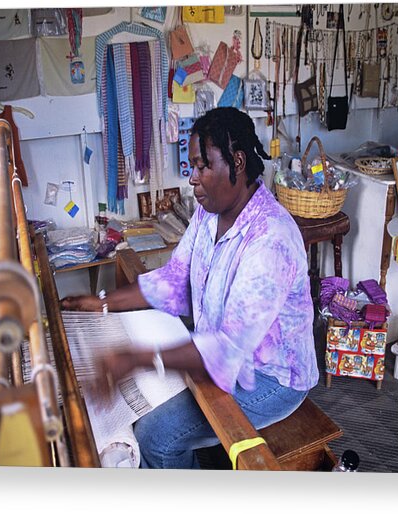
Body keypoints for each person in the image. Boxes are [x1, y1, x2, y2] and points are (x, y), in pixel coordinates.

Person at [62, 107, 319, 469]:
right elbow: (176, 278)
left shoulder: (270, 240)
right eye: (192, 167)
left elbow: (227, 348)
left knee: (157, 437)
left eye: (202, 166)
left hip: (271, 377)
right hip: (227, 354)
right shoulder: (209, 213)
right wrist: (103, 303)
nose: (193, 179)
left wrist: (137, 359)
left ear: (238, 162)